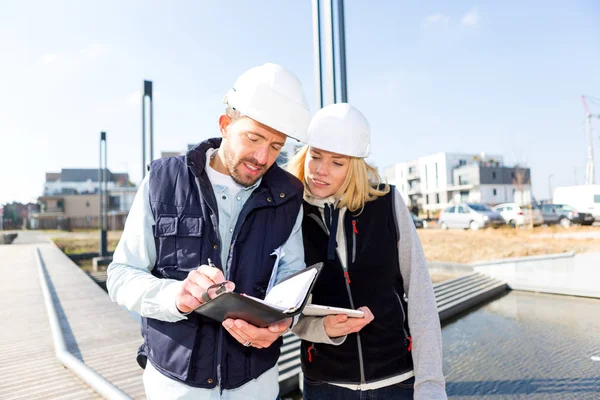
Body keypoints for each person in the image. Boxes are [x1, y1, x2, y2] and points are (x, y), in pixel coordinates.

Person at [107, 63, 312, 399]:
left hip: (256, 385)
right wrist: (177, 296)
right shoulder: (163, 180)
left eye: (276, 146)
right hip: (175, 386)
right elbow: (121, 274)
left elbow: (292, 279)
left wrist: (282, 325)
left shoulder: (289, 195)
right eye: (254, 138)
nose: (262, 157)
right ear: (225, 125)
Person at [288, 103, 447, 400]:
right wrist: (323, 329)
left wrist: (430, 384)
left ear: (356, 166)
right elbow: (288, 309)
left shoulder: (387, 203)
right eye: (316, 156)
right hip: (325, 385)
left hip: (397, 381)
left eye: (338, 162)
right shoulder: (290, 214)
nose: (321, 171)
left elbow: (421, 295)